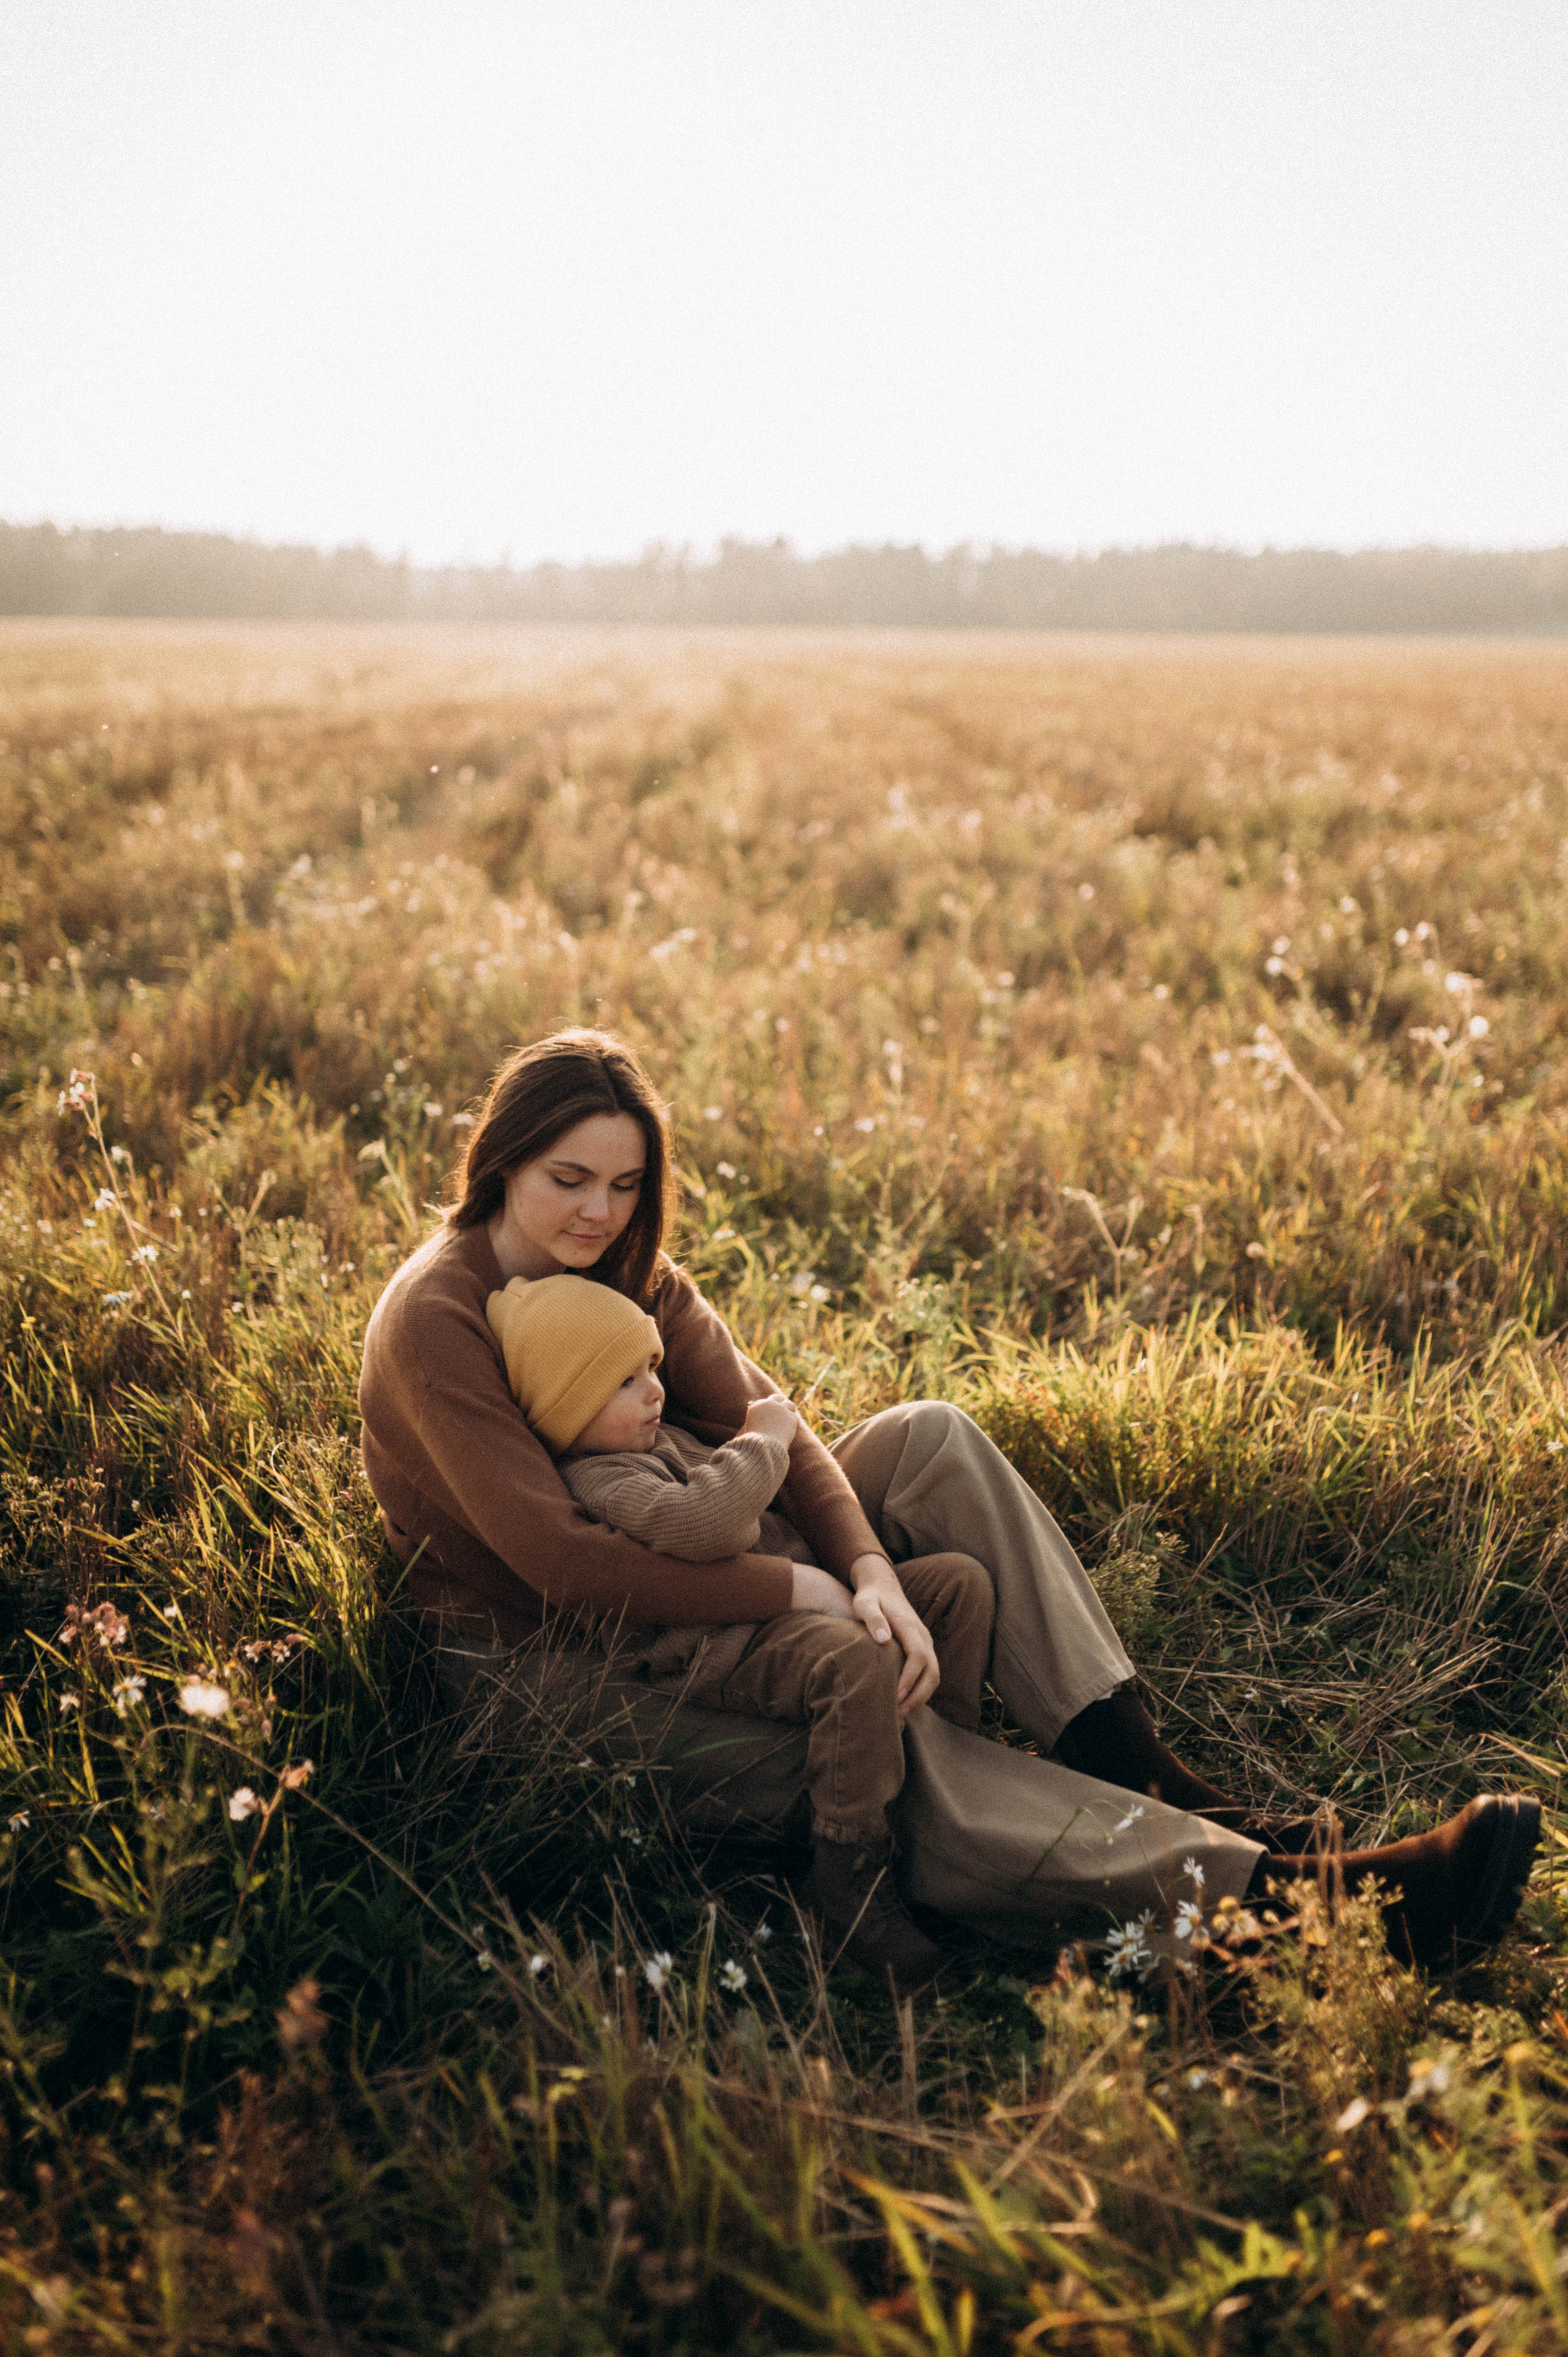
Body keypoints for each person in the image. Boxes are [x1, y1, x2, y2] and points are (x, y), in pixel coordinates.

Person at [358, 1028, 1540, 1985]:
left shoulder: (629, 1273)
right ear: (501, 1163)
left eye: (625, 1185)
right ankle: (1283, 1909)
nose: (598, 1213)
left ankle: (1149, 1776)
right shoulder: (436, 1320)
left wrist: (872, 1569)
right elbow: (566, 1564)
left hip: (693, 1540)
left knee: (932, 1440)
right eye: (568, 1180)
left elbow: (780, 1428)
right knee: (875, 1717)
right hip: (551, 1669)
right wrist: (804, 1587)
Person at [484, 1268, 999, 1984]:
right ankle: (845, 1888)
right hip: (728, 1642)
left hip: (789, 1610)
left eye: (652, 1367)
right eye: (624, 1381)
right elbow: (708, 1522)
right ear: (566, 1409)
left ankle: (943, 1786)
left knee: (957, 1587)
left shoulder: (657, 1441)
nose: (654, 1390)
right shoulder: (598, 1478)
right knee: (854, 1660)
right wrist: (763, 1441)